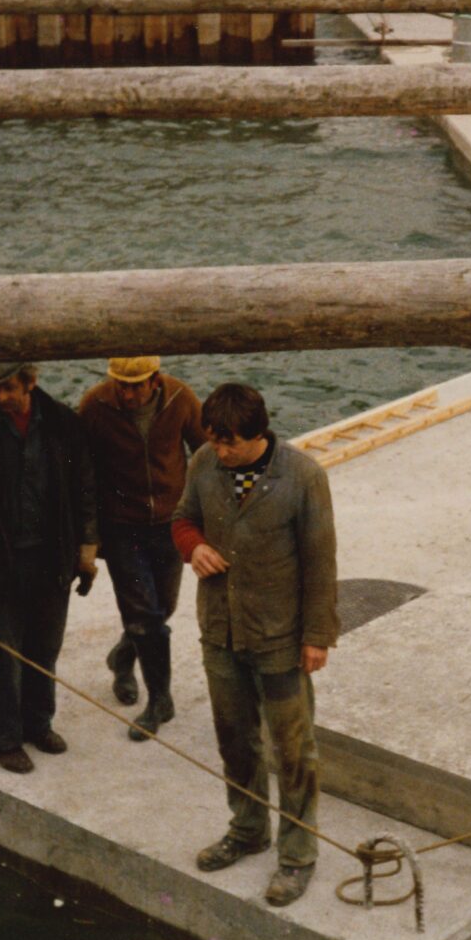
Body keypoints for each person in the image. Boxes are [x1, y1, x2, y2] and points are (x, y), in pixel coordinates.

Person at [172, 382, 338, 908]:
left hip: (280, 640)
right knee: (233, 738)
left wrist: (317, 637)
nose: (220, 453)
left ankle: (297, 856)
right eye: (214, 442)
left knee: (293, 750)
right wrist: (193, 548)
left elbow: (320, 563)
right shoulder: (203, 462)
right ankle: (247, 831)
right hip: (220, 633)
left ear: (258, 434)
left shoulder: (305, 477)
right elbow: (182, 519)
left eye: (230, 445)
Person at [0, 363, 98, 774]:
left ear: (30, 382)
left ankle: (38, 724)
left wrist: (87, 547)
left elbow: (84, 487)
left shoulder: (63, 424)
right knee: (5, 652)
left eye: (7, 388)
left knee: (44, 648)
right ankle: (6, 739)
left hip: (49, 559)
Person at [79, 356, 204, 741]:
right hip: (122, 527)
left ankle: (123, 657)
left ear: (154, 380)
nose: (127, 393)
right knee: (145, 616)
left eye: (135, 385)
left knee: (163, 608)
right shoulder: (94, 406)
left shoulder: (181, 398)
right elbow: (82, 474)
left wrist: (204, 517)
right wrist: (88, 537)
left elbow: (204, 453)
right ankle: (160, 701)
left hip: (171, 522)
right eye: (120, 384)